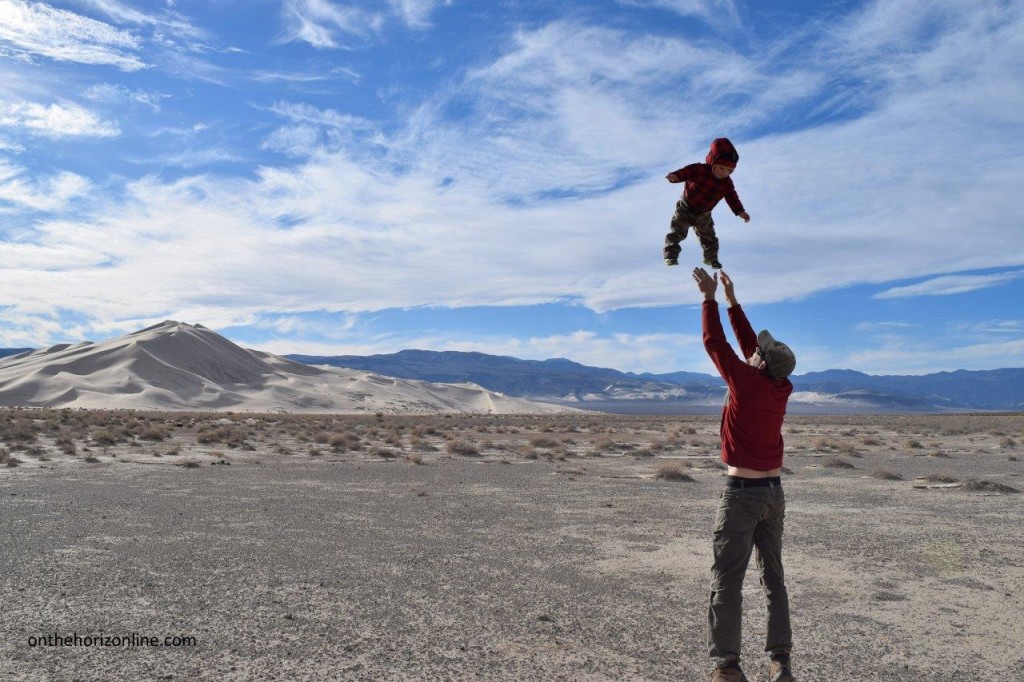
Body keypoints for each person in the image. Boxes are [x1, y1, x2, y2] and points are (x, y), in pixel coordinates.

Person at [691, 267, 797, 682]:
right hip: (774, 494)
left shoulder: (746, 382)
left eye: (758, 352)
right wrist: (734, 302)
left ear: (759, 363)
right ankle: (781, 661)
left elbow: (713, 343)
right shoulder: (778, 386)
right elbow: (753, 347)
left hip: (743, 495)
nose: (754, 350)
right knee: (774, 578)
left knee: (727, 580)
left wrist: (709, 299)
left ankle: (728, 667)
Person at [664, 138, 750, 270]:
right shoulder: (699, 169)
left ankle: (711, 259)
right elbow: (685, 172)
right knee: (677, 232)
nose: (724, 173)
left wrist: (740, 211)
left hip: (704, 215)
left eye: (729, 170)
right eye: (721, 168)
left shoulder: (727, 183)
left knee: (710, 239)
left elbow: (732, 197)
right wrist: (675, 176)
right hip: (685, 209)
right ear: (712, 163)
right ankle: (671, 255)